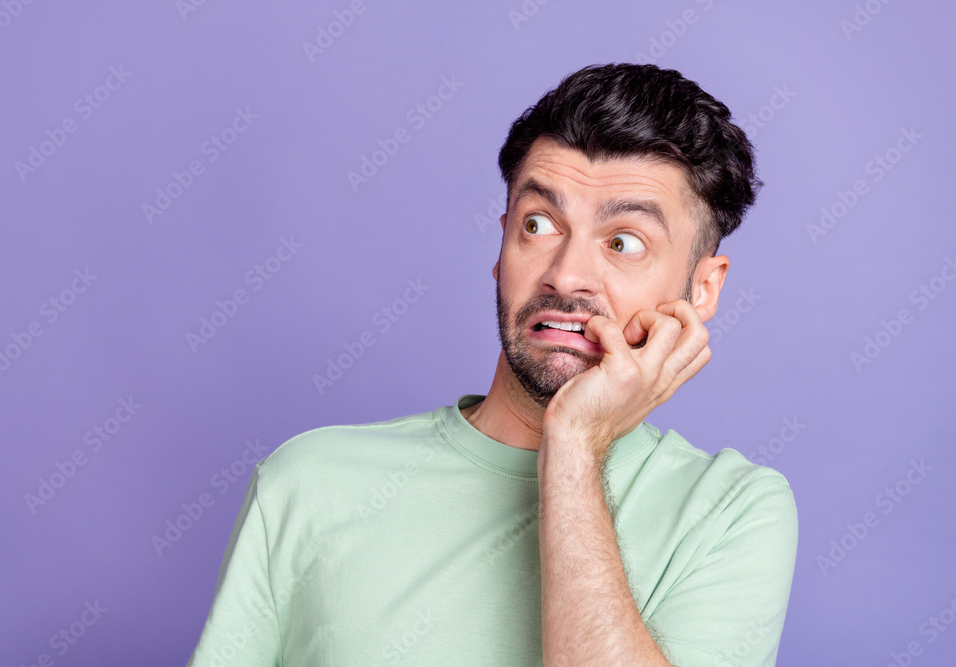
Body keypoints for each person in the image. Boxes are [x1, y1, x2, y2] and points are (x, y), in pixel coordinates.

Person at [185, 63, 798, 667]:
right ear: (503, 246)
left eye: (623, 242)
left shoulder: (729, 512)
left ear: (703, 289)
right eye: (539, 225)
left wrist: (575, 442)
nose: (566, 274)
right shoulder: (306, 484)